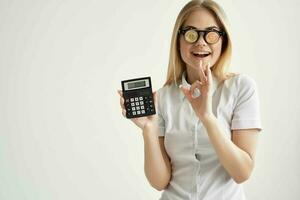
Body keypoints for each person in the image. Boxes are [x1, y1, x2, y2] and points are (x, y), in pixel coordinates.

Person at [118, 0, 262, 199]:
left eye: (211, 34)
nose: (201, 42)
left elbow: (242, 172)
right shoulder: (164, 97)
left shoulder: (241, 88)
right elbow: (159, 182)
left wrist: (206, 117)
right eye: (191, 34)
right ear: (179, 40)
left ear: (223, 40)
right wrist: (149, 130)